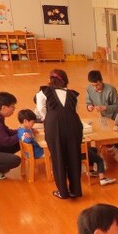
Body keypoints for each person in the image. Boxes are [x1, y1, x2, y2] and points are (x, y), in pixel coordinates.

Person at [36, 69, 83, 199]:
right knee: (74, 156)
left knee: (58, 156)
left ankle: (62, 191)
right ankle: (75, 190)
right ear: (65, 80)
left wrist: (49, 119)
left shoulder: (43, 92)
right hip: (73, 126)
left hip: (54, 126)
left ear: (50, 79)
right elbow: (75, 110)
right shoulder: (73, 94)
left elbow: (41, 111)